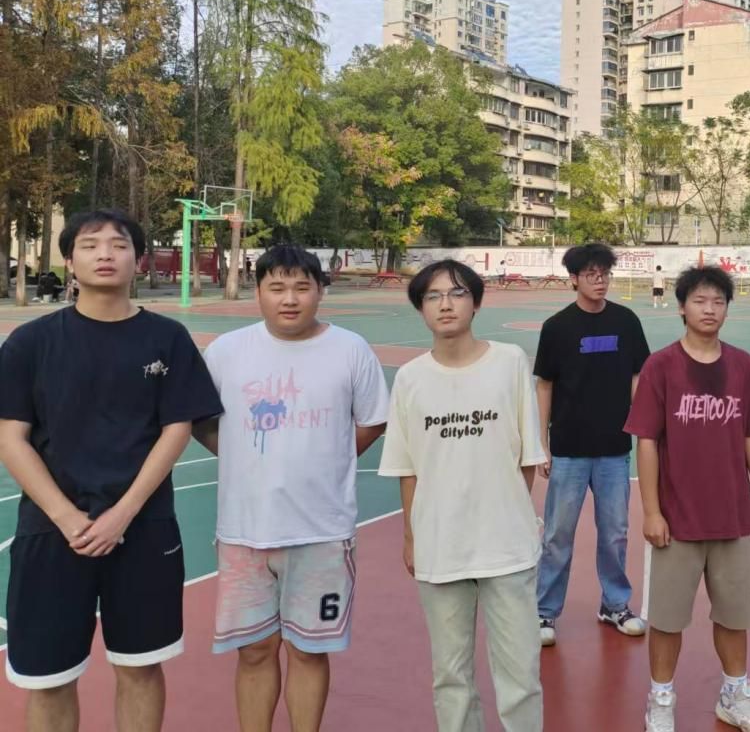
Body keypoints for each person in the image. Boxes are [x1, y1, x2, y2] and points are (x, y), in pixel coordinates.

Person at [0, 209, 223, 732]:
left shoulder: (167, 339)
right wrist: (66, 517)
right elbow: (11, 437)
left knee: (141, 667)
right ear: (69, 260)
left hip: (144, 529)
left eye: (119, 245)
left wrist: (123, 513)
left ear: (138, 259)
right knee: (49, 679)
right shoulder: (30, 343)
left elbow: (176, 429)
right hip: (52, 532)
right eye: (90, 244)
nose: (105, 254)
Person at [193, 244, 388, 732]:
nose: (290, 298)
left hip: (322, 532)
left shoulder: (350, 349)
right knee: (254, 650)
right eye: (276, 287)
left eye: (302, 287)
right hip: (244, 532)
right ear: (257, 291)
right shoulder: (226, 352)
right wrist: (242, 457)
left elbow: (372, 420)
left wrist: (330, 459)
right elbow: (200, 421)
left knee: (309, 651)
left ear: (320, 290)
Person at [379, 260, 545, 732]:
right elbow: (407, 469)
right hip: (440, 544)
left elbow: (527, 457)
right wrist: (412, 536)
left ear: (476, 302)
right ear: (421, 309)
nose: (446, 304)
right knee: (451, 678)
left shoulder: (510, 362)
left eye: (456, 293)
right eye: (433, 296)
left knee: (520, 677)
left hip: (507, 547)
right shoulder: (410, 378)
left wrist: (505, 511)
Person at [625, 266, 750, 732]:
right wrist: (651, 511)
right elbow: (646, 441)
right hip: (676, 520)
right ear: (682, 308)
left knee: (734, 615)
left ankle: (734, 694)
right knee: (667, 619)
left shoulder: (743, 366)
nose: (710, 309)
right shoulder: (661, 366)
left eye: (718, 301)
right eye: (700, 301)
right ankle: (661, 699)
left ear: (727, 309)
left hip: (731, 516)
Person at [534, 243, 649, 646]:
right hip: (568, 449)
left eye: (605, 274)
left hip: (614, 449)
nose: (600, 281)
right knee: (557, 536)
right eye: (591, 275)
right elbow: (545, 385)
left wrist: (642, 426)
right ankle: (544, 611)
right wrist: (542, 441)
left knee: (615, 533)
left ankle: (615, 604)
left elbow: (637, 376)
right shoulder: (557, 327)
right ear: (574, 279)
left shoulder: (626, 321)